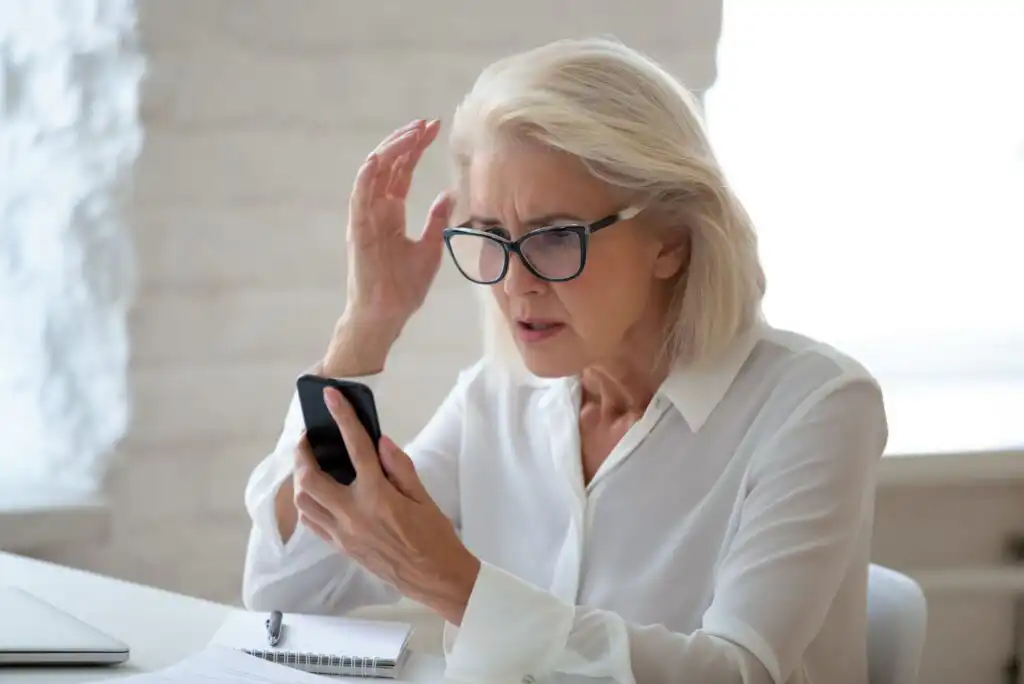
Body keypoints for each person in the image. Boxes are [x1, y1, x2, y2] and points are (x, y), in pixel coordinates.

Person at [241, 37, 887, 684]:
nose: (515, 284)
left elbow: (737, 673)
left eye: (553, 237)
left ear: (671, 243)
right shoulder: (498, 399)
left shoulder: (816, 407)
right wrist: (368, 322)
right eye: (493, 235)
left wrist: (459, 587)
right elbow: (286, 586)